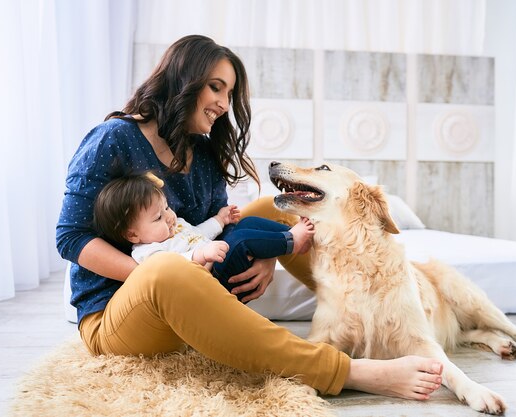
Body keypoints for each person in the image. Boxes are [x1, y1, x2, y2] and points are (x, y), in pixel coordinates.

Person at [56, 34, 443, 399]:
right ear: (183, 80)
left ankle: (377, 312)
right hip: (117, 313)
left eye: (230, 93)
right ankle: (348, 372)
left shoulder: (204, 153)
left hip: (193, 293)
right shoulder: (113, 138)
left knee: (277, 208)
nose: (224, 104)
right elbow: (70, 238)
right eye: (216, 87)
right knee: (168, 271)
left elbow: (224, 230)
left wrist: (268, 255)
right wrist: (156, 271)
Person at [92, 171, 315, 301]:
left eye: (167, 208)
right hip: (210, 281)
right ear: (133, 235)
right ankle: (291, 241)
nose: (169, 217)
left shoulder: (174, 226)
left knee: (246, 223)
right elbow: (171, 267)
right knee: (240, 241)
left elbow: (197, 233)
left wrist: (220, 220)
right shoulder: (146, 252)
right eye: (158, 217)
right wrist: (201, 254)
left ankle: (290, 237)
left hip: (218, 259)